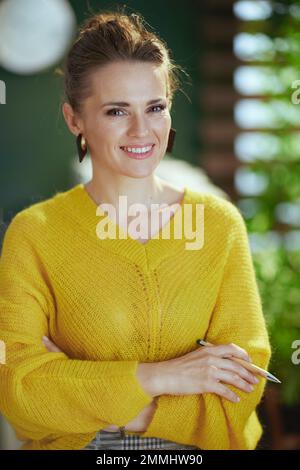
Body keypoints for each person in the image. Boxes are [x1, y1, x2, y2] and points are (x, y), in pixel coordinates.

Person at [0, 9, 271, 450]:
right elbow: (20, 390)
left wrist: (101, 398)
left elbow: (241, 389)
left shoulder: (218, 227)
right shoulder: (35, 234)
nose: (142, 130)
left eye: (156, 107)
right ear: (74, 120)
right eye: (116, 111)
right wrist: (165, 376)